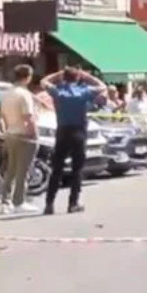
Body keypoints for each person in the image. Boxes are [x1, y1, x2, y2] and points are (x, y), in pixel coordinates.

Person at [40, 64, 107, 214]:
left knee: (57, 169)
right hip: (79, 131)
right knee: (77, 169)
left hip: (62, 131)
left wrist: (58, 74)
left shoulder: (58, 91)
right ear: (78, 78)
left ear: (64, 77)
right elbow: (102, 86)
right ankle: (73, 203)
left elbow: (43, 82)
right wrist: (86, 76)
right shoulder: (84, 91)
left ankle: (49, 204)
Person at [0, 65, 40, 214]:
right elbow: (28, 118)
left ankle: (5, 202)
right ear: (28, 77)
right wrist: (34, 135)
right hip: (24, 135)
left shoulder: (4, 94)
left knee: (11, 170)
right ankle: (19, 201)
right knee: (23, 170)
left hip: (10, 134)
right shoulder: (24, 94)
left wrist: (5, 131)